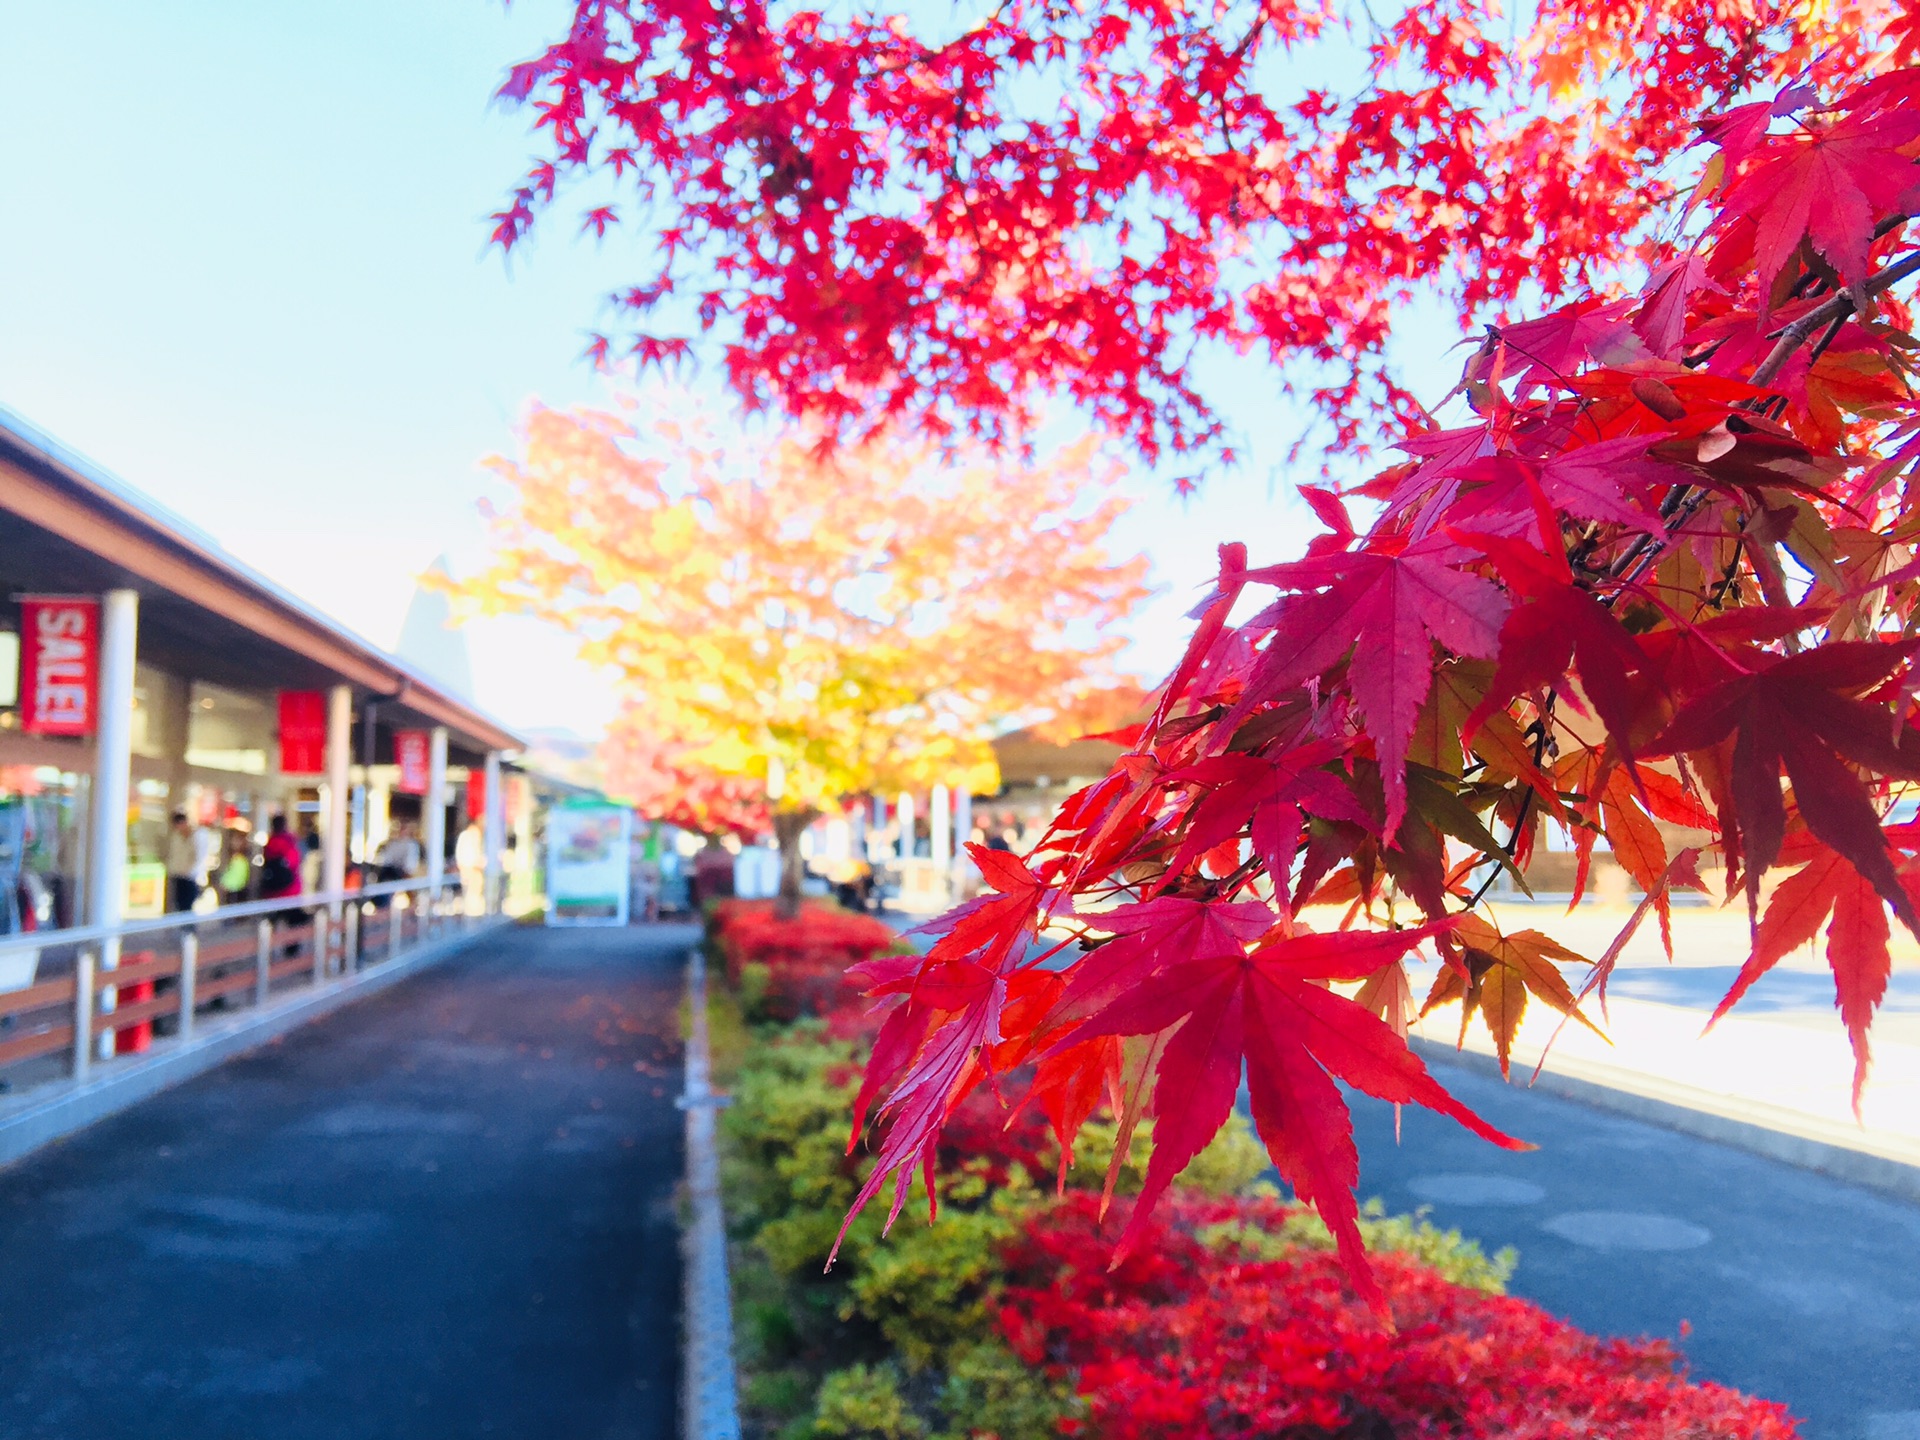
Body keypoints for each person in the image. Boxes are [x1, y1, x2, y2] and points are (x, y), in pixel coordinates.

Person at [164, 812, 213, 913]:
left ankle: (188, 927)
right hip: (177, 873)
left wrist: (192, 871)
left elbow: (199, 856)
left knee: (188, 903)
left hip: (191, 876)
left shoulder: (198, 835)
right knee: (178, 903)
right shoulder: (176, 837)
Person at [259, 814, 303, 901]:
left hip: (272, 890)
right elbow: (295, 863)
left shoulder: (269, 845)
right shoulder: (290, 843)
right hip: (291, 890)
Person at [454, 817, 486, 916]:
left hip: (475, 868)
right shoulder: (467, 837)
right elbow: (464, 855)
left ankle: (474, 910)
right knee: (469, 891)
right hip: (469, 868)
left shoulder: (474, 837)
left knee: (476, 890)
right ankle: (470, 911)